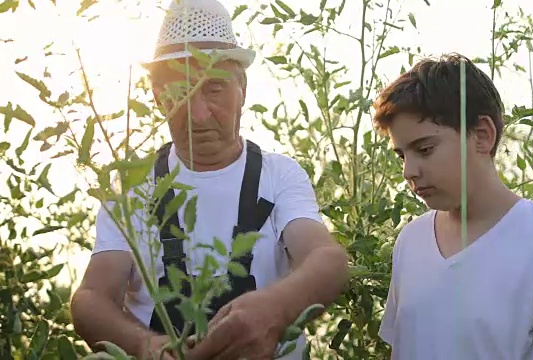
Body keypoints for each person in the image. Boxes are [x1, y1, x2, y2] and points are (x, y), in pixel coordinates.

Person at [69, 0, 350, 359]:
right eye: (179, 93)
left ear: (242, 90)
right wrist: (146, 346)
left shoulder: (278, 175)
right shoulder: (133, 189)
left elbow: (327, 259)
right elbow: (91, 298)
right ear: (158, 100)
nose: (199, 115)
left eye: (214, 89)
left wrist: (276, 309)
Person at [371, 53, 533, 359]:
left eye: (425, 149)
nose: (409, 171)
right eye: (402, 155)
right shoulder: (411, 241)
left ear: (483, 135)